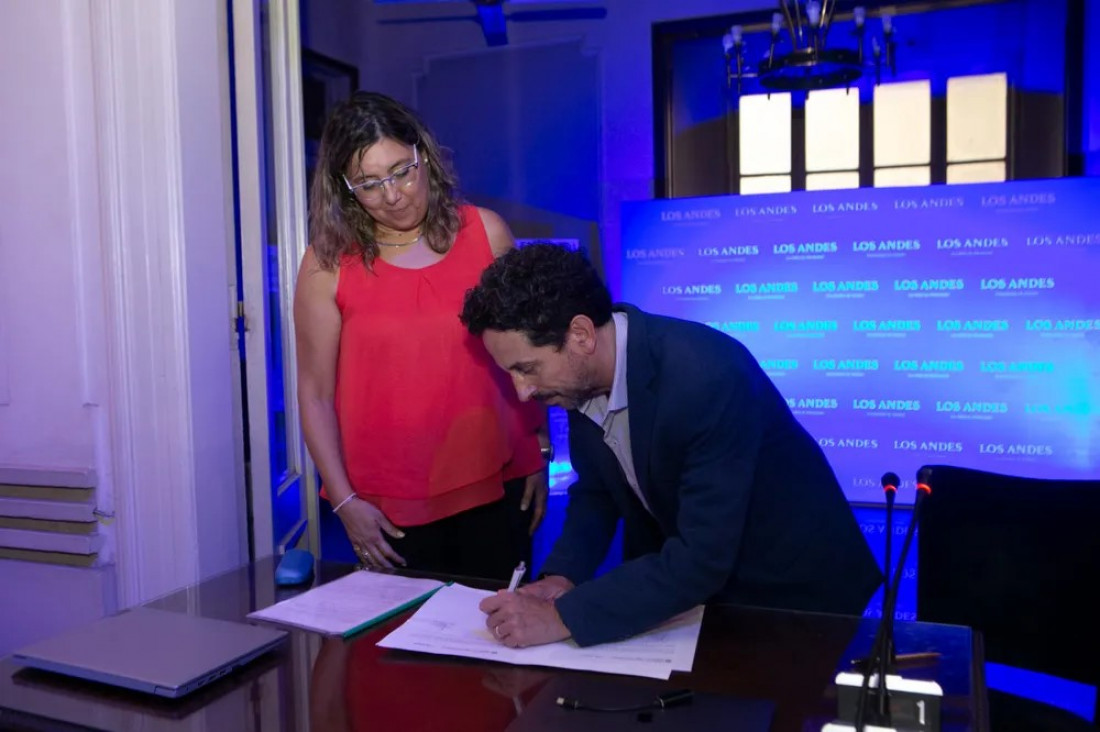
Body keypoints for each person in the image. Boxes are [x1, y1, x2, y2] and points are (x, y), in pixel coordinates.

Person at [460, 243, 882, 648]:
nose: (522, 391)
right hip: (703, 585)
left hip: (792, 592)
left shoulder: (705, 375)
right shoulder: (576, 377)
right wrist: (561, 578)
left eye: (526, 369)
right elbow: (597, 493)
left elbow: (701, 558)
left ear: (581, 334)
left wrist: (562, 617)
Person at [294, 91, 547, 580]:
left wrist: (539, 446)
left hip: (498, 483)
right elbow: (315, 393)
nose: (392, 195)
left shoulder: (486, 233)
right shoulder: (326, 264)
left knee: (500, 641)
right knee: (396, 649)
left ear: (424, 155)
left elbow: (529, 352)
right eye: (368, 184)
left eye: (401, 171)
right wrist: (344, 501)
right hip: (387, 511)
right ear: (344, 189)